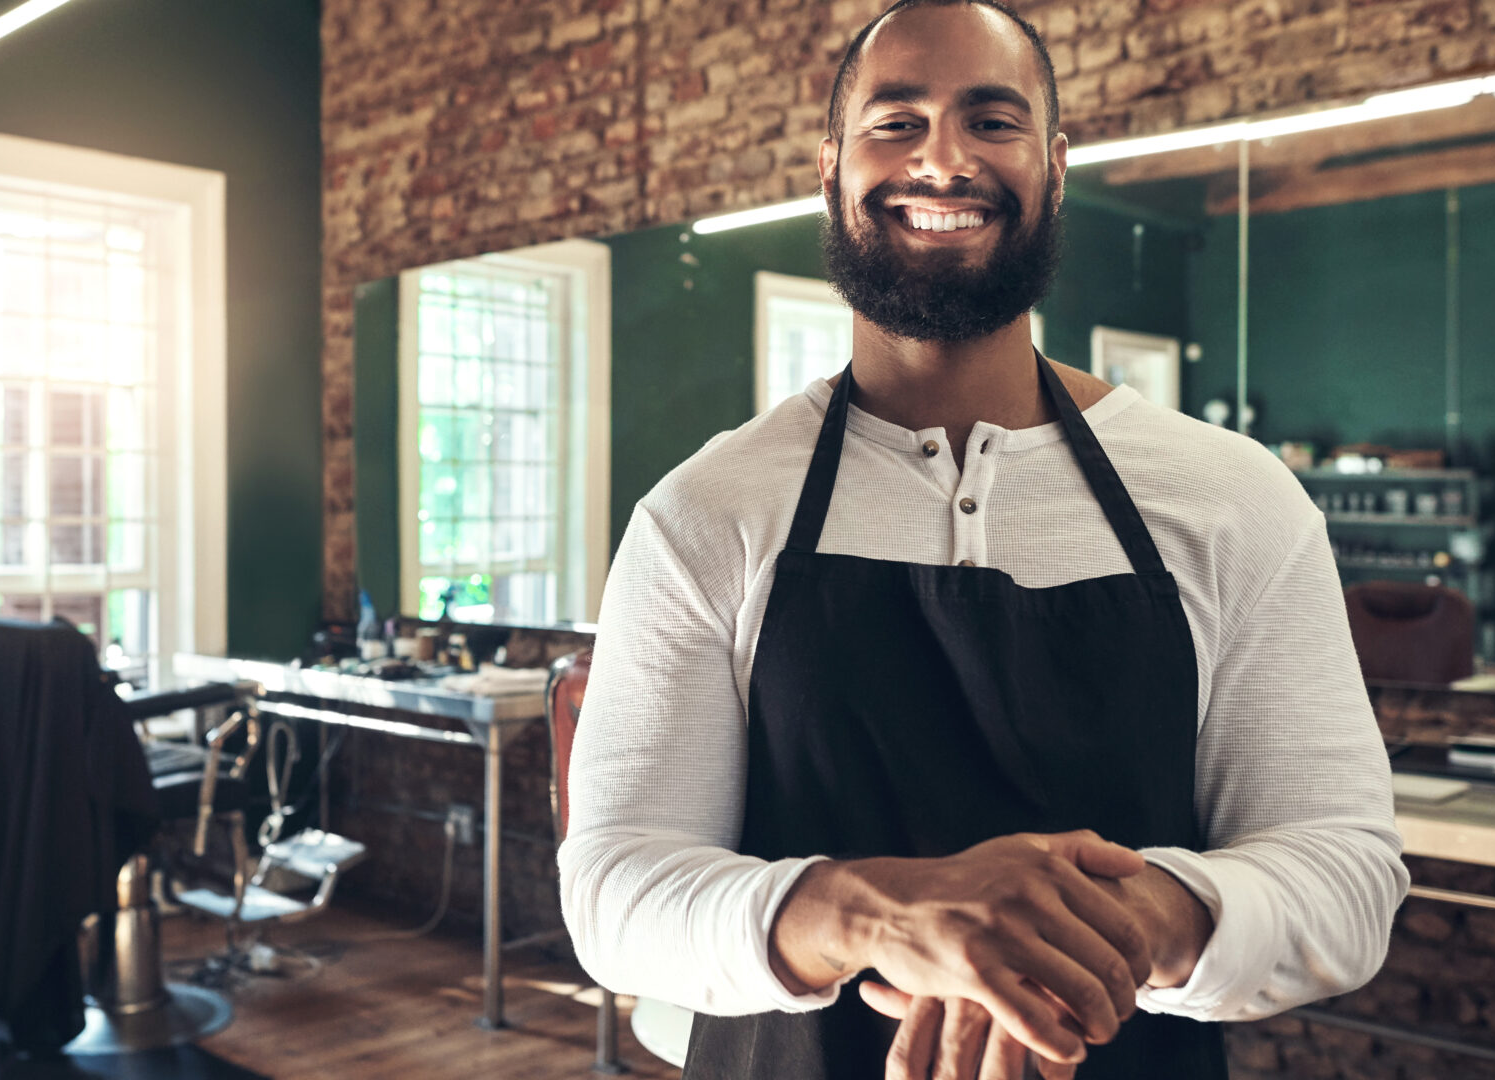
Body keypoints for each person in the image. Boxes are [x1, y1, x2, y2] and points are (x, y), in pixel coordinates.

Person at [558, 1, 1409, 1076]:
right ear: (830, 167)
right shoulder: (704, 515)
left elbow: (1346, 873)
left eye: (992, 121)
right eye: (896, 122)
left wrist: (1119, 925)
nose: (944, 159)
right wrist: (883, 919)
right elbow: (615, 895)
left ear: (1055, 167)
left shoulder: (1238, 500)